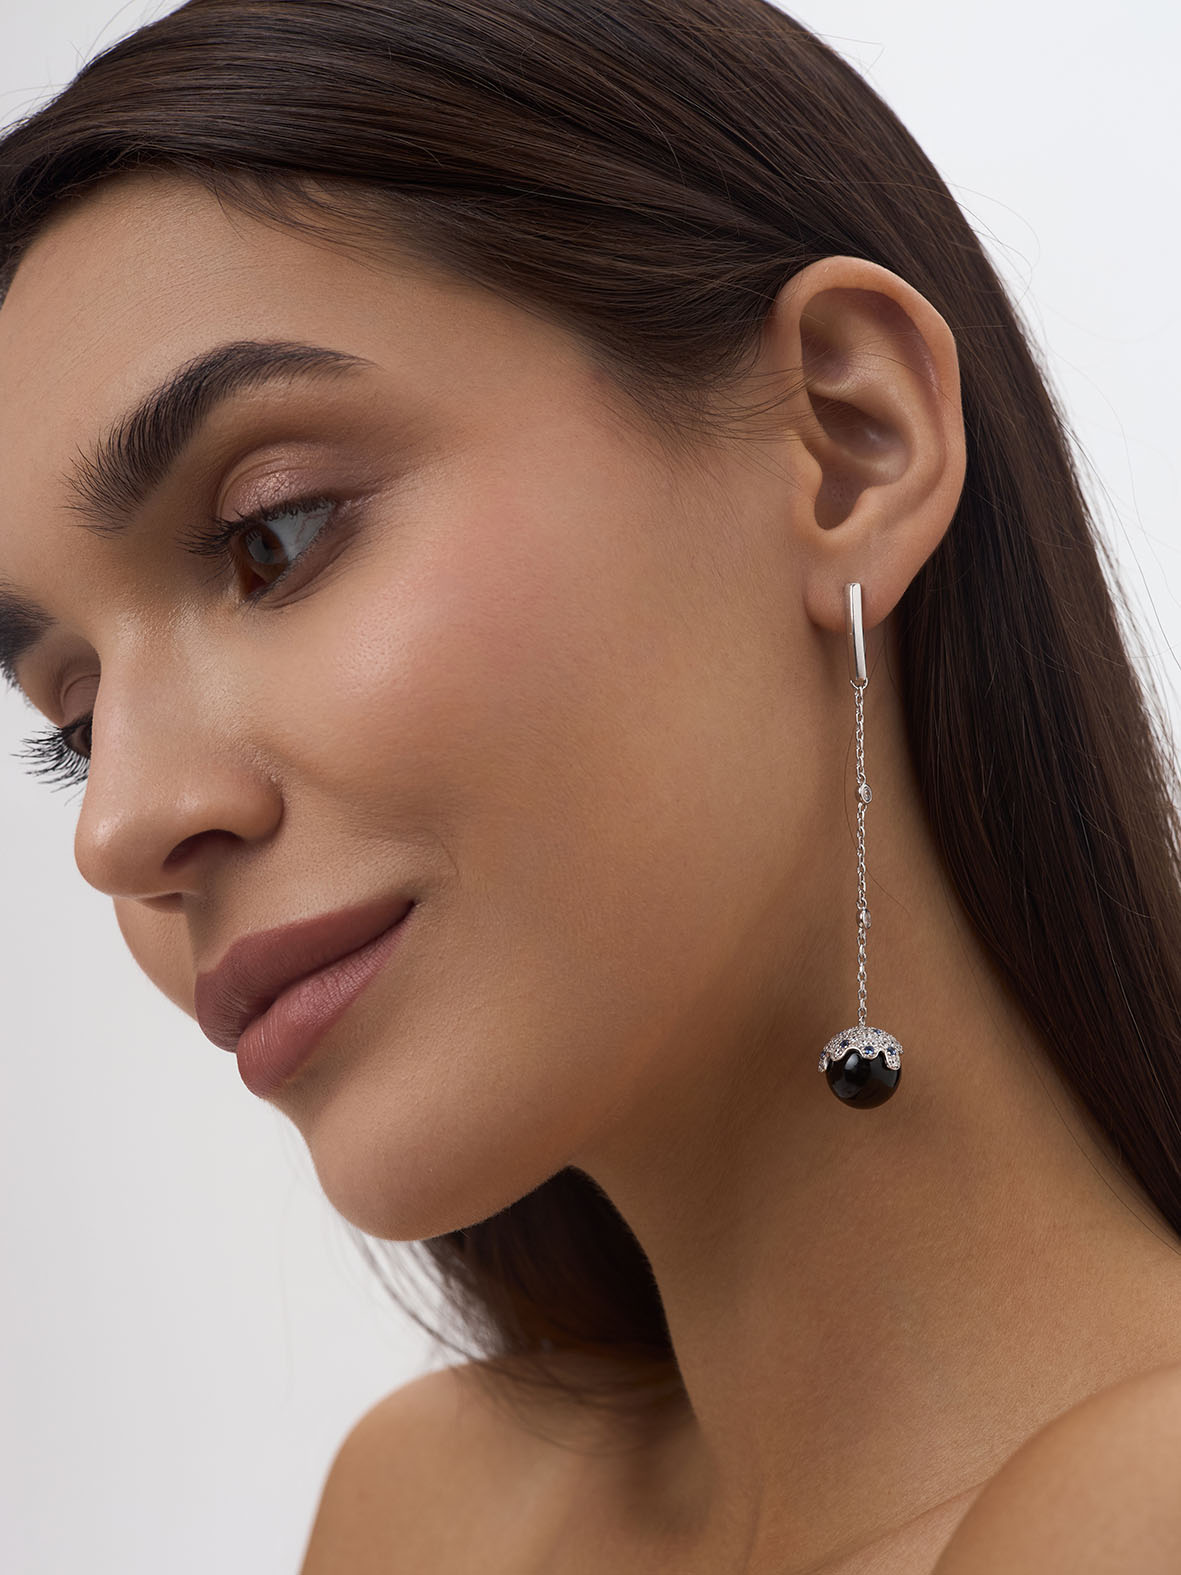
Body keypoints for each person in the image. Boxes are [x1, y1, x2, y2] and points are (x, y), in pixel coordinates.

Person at [2, 2, 1180, 1571]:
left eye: (271, 538)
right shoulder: (429, 1514)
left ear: (847, 441)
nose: (120, 828)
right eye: (76, 715)